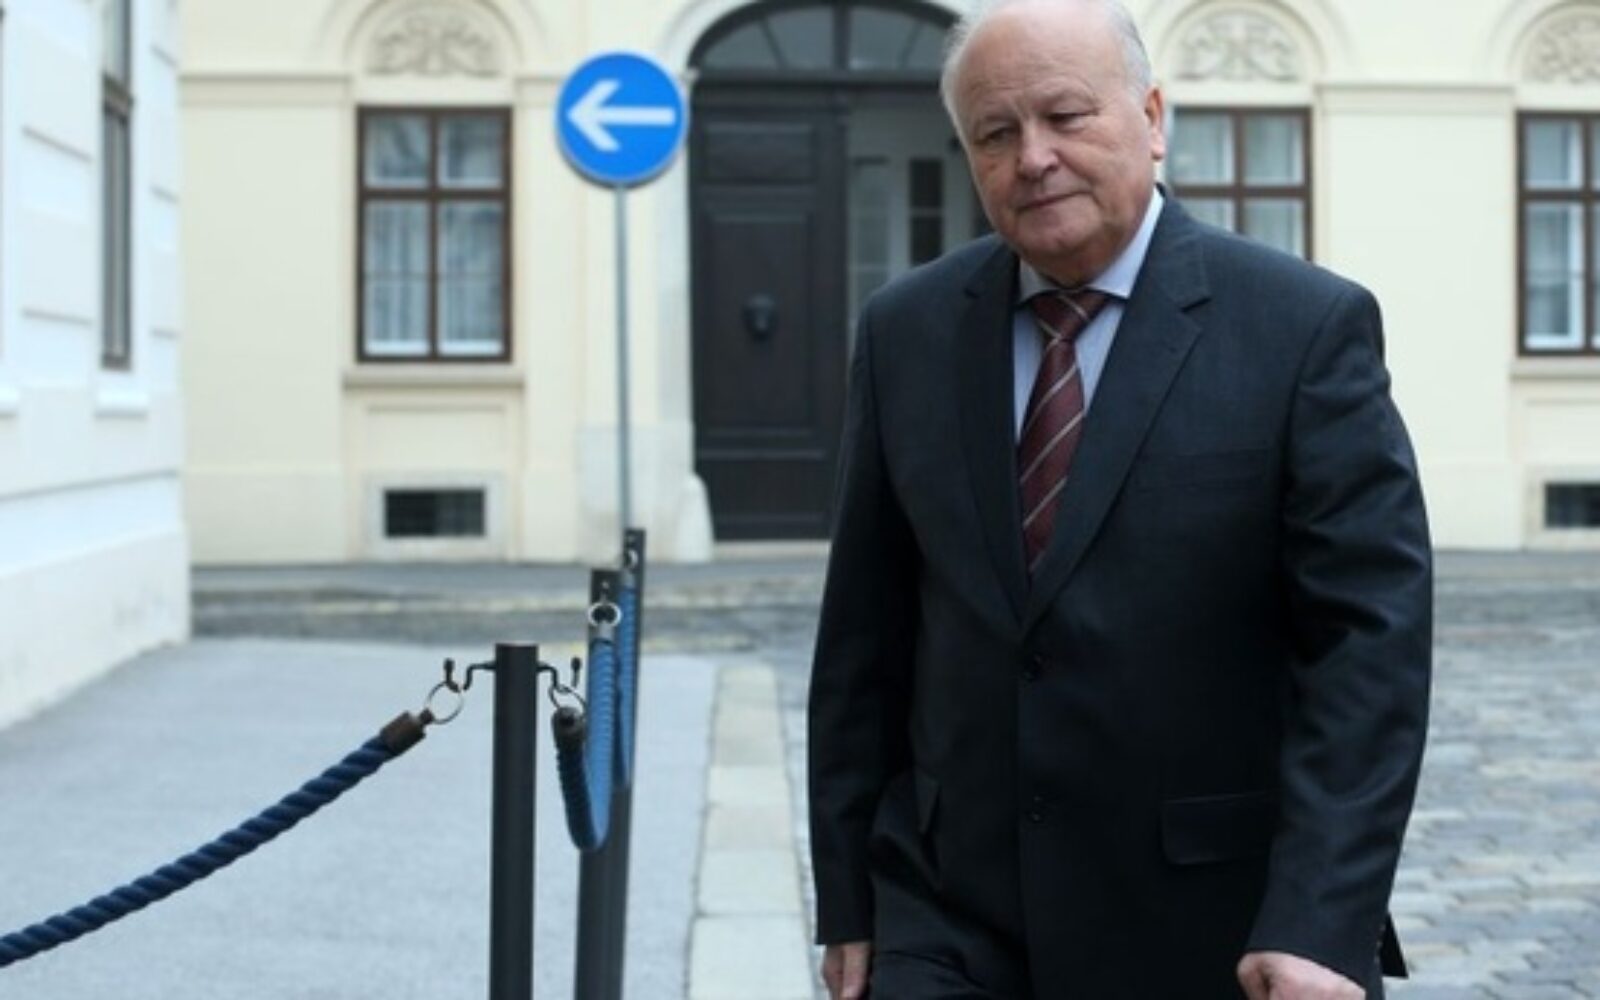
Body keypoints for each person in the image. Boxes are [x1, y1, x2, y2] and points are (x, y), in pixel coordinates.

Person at [805, 0, 1432, 997]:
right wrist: (848, 896)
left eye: (1065, 116)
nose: (1033, 158)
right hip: (951, 915)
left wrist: (1320, 921)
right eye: (995, 133)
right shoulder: (905, 332)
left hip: (1214, 922)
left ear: (1150, 117)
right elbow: (861, 641)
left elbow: (1368, 651)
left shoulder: (1302, 327)